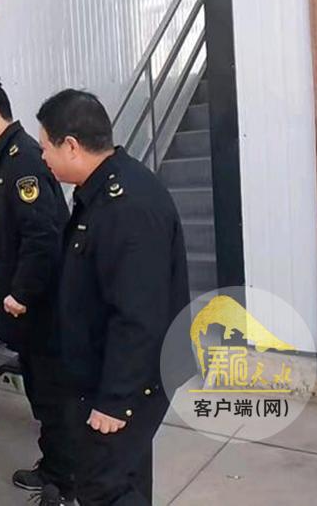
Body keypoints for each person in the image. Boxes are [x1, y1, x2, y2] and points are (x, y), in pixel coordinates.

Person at [36, 89, 189, 506]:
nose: (43, 157)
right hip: (105, 367)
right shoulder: (102, 190)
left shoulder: (127, 206)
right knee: (126, 473)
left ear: (70, 145)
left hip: (127, 379)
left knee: (102, 484)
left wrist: (115, 401)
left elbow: (139, 315)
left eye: (45, 146)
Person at [0, 73, 72, 497]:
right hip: (35, 304)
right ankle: (57, 465)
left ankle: (62, 479)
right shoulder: (10, 157)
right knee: (42, 390)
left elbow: (42, 237)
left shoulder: (21, 160)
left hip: (40, 306)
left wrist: (21, 293)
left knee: (50, 393)